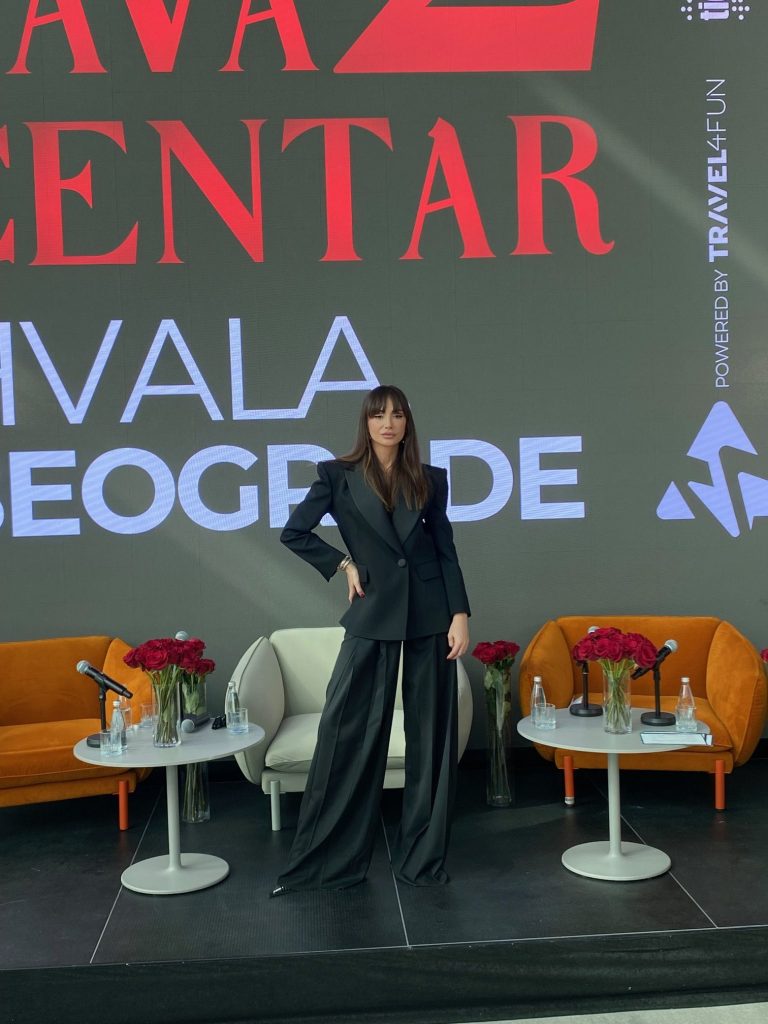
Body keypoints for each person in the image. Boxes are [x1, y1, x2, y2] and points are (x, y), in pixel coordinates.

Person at [270, 384, 470, 896]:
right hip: (373, 610)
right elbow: (295, 532)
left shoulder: (429, 479)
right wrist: (343, 563)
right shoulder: (336, 475)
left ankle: (421, 858)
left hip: (430, 614)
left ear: (407, 424)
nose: (388, 423)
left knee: (430, 739)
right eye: (379, 415)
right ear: (366, 422)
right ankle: (328, 863)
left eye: (397, 415)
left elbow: (445, 551)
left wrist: (460, 613)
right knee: (347, 732)